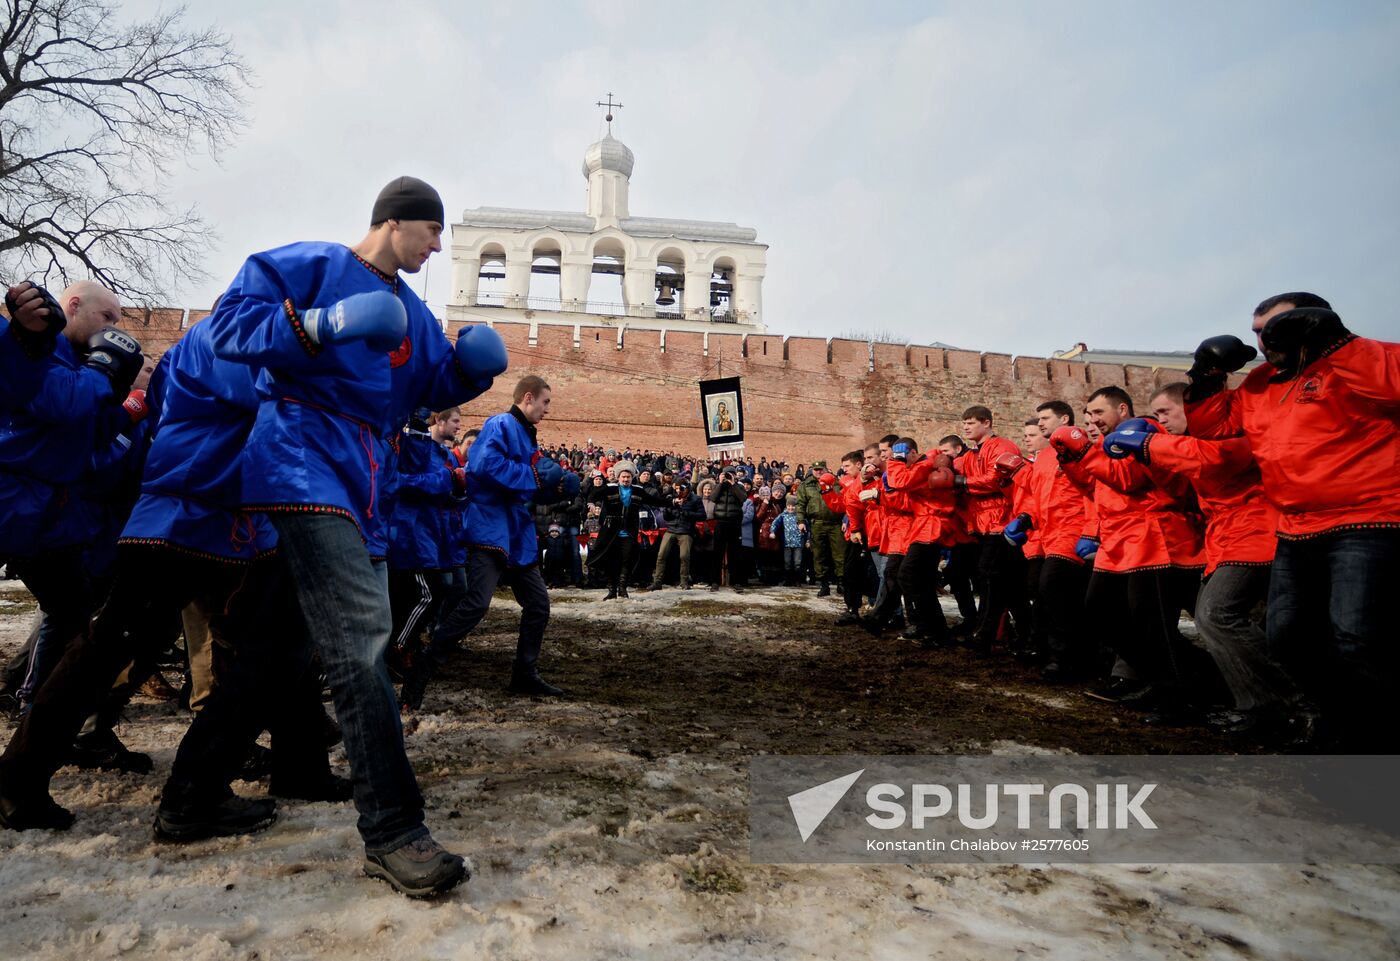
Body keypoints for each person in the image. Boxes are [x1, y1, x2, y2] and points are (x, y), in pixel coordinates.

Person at [201, 175, 507, 897]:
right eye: (431, 230)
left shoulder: (415, 312)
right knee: (365, 639)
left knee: (286, 646)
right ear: (397, 221)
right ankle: (394, 827)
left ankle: (195, 789)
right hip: (301, 458)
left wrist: (466, 373)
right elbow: (227, 330)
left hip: (369, 477)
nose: (438, 245)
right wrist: (319, 323)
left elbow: (421, 388)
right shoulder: (305, 264)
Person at [1183, 293, 1399, 748]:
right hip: (1296, 526)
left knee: (1356, 638)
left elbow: (1391, 385)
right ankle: (1332, 730)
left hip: (1368, 519)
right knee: (1290, 639)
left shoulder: (1360, 359)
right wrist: (1206, 375)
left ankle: (1374, 747)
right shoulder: (1260, 383)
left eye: (1276, 327)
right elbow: (1214, 428)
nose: (1264, 340)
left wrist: (1337, 342)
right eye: (1257, 331)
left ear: (1309, 321)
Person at [1103, 382, 1292, 735]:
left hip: (1253, 533)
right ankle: (1254, 702)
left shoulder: (1226, 434)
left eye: (1164, 413)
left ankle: (1291, 700)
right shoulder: (1183, 444)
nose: (1159, 421)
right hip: (1222, 539)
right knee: (1219, 619)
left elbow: (1210, 459)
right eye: (1155, 415)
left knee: (1217, 615)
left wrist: (1148, 445)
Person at [1052, 386, 1209, 721]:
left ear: (1121, 409)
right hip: (1118, 538)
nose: (1093, 420)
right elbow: (1096, 488)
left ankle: (1180, 692)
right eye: (1089, 415)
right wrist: (1072, 463)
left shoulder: (1143, 432)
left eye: (1098, 413)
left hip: (1150, 536)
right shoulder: (1109, 445)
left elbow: (1128, 480)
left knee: (1151, 622)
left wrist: (1085, 456)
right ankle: (1179, 675)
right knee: (1100, 611)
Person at [431, 375, 576, 695]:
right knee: (477, 604)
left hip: (515, 532)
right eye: (545, 401)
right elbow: (483, 467)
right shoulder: (500, 424)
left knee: (538, 605)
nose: (547, 409)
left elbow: (531, 489)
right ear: (528, 398)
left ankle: (524, 673)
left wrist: (559, 489)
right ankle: (429, 658)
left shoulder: (527, 437)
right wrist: (535, 475)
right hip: (490, 527)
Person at [953, 406, 1031, 654]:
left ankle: (985, 634)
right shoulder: (972, 453)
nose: (966, 427)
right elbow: (952, 466)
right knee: (1008, 585)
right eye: (964, 423)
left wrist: (964, 482)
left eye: (971, 423)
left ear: (986, 423)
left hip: (1001, 523)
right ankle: (1024, 634)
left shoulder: (1001, 446)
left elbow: (998, 478)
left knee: (991, 578)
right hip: (985, 524)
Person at [589, 459, 665, 598]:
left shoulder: (638, 490)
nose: (625, 479)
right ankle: (612, 590)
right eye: (623, 477)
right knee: (611, 560)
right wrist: (591, 503)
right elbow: (594, 494)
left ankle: (622, 589)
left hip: (629, 531)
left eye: (628, 477)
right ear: (618, 477)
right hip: (611, 531)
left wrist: (671, 501)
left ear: (632, 478)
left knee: (627, 559)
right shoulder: (610, 488)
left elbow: (654, 501)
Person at [796, 459, 845, 596]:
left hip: (836, 522)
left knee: (839, 554)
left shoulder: (836, 483)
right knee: (819, 554)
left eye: (820, 469)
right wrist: (800, 521)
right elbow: (800, 504)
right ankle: (824, 584)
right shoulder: (806, 485)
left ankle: (841, 582)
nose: (818, 472)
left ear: (826, 469)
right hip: (817, 523)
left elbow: (844, 499)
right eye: (815, 470)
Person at [648, 480, 705, 589]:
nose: (679, 490)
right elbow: (666, 517)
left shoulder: (695, 499)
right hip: (671, 529)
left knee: (684, 556)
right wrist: (668, 510)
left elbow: (702, 515)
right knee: (661, 555)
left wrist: (687, 514)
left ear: (687, 488)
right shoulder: (672, 498)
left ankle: (684, 581)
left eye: (681, 488)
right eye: (677, 488)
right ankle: (657, 581)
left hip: (686, 530)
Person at [706, 469, 747, 592]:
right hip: (720, 522)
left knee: (735, 553)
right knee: (717, 553)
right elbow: (712, 498)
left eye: (730, 474)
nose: (728, 476)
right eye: (727, 474)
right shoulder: (719, 487)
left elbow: (742, 498)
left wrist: (732, 483)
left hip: (734, 522)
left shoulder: (739, 487)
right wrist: (721, 483)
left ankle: (736, 581)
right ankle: (715, 581)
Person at [768, 495, 805, 586]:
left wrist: (807, 540)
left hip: (798, 543)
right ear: (786, 506)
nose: (791, 508)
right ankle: (787, 580)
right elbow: (775, 523)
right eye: (789, 506)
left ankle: (797, 580)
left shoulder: (800, 516)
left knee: (797, 563)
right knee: (787, 562)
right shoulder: (783, 516)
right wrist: (773, 531)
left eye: (793, 506)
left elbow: (807, 528)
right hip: (787, 543)